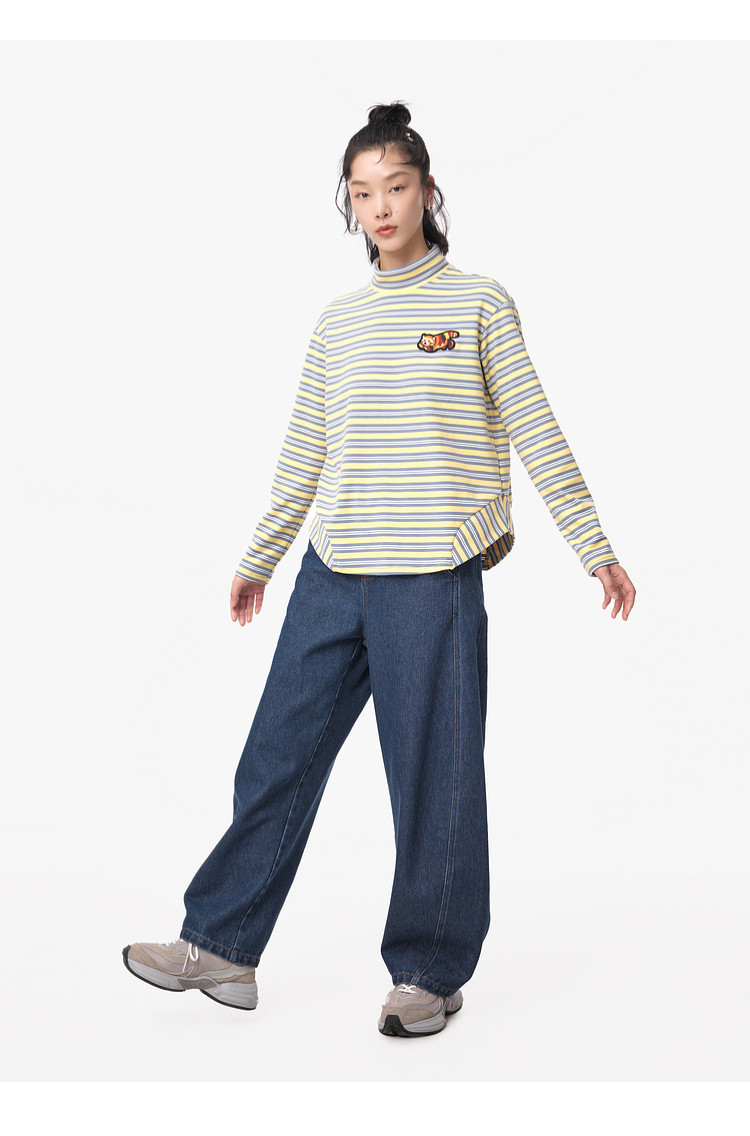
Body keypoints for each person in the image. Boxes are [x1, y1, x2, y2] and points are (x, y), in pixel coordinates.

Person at [122, 100, 636, 1038]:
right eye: (363, 193)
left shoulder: (477, 303)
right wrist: (261, 556)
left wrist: (591, 543)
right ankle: (222, 944)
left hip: (431, 574)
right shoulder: (339, 323)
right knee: (276, 758)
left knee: (433, 779)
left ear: (428, 192)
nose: (382, 207)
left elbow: (534, 425)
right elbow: (305, 450)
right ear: (349, 205)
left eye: (396, 187)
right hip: (334, 570)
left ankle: (429, 973)